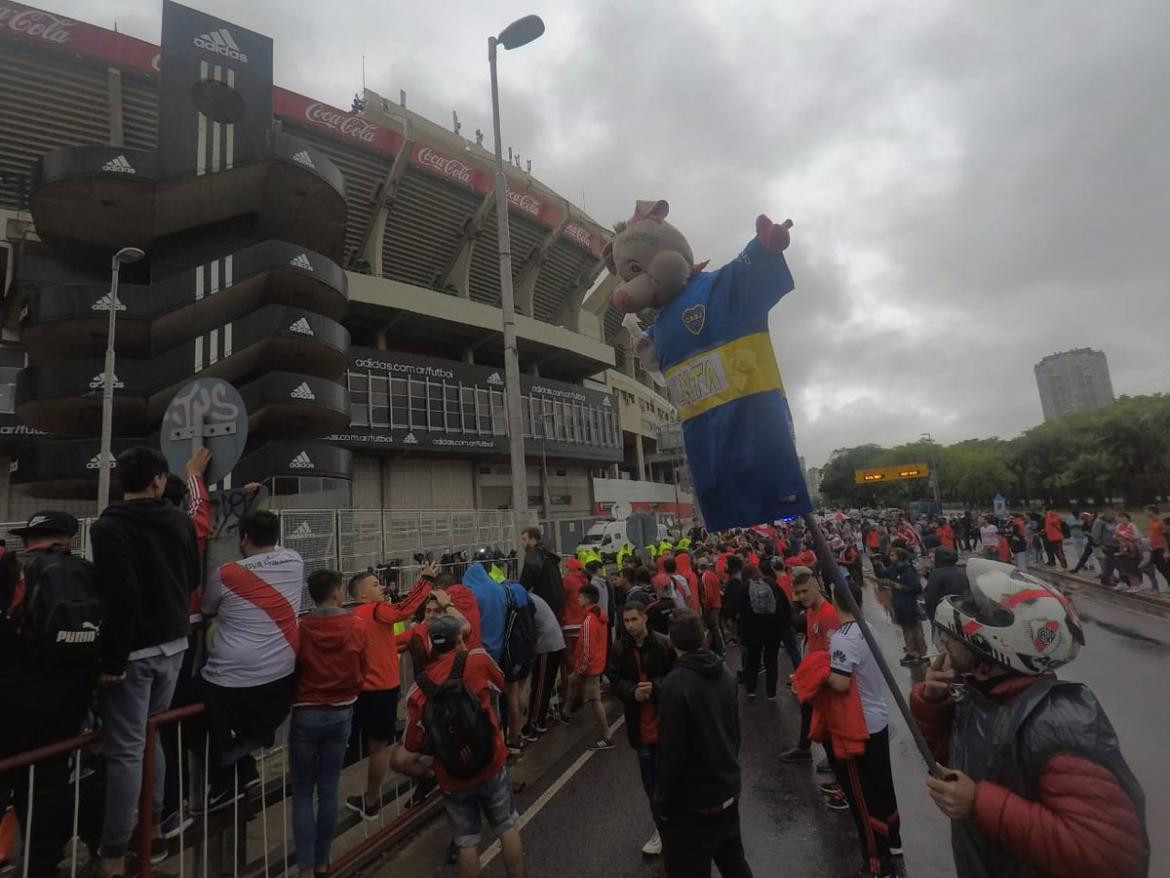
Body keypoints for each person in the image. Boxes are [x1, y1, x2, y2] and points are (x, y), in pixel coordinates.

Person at [912, 558, 1148, 877]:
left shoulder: (1059, 722)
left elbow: (1112, 857)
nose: (944, 643)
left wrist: (979, 802)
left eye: (952, 637)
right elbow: (950, 765)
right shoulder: (978, 695)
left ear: (994, 650)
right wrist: (931, 704)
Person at [89, 447, 201, 877]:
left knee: (125, 751)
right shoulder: (179, 521)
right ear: (158, 481)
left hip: (131, 653)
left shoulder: (108, 527)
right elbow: (192, 577)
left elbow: (120, 596)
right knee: (151, 735)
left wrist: (112, 661)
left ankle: (114, 853)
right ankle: (151, 832)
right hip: (174, 644)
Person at [0, 514, 100, 878]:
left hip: (12, 699)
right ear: (69, 538)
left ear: (29, 540)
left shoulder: (15, 570)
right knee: (48, 783)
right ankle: (42, 863)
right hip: (68, 699)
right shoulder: (88, 572)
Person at [392, 615, 523, 878]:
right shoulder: (477, 659)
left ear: (432, 644)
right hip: (491, 759)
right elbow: (501, 684)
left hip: (452, 774)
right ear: (459, 638)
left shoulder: (420, 688)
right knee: (506, 827)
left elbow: (412, 742)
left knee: (466, 842)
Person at [198, 510, 303, 811]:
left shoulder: (227, 573)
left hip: (232, 681)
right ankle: (244, 762)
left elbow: (207, 607)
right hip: (282, 677)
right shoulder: (294, 561)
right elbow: (272, 549)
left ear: (243, 538)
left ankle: (224, 778)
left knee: (189, 706)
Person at [655, 610, 752, 877]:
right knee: (734, 861)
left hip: (693, 803)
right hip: (727, 789)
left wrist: (663, 803)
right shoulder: (725, 672)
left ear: (671, 642)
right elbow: (735, 732)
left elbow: (671, 752)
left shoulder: (675, 684)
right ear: (705, 637)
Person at [821, 579, 901, 878]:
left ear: (834, 600)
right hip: (878, 719)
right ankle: (894, 842)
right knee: (883, 788)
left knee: (862, 797)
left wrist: (819, 672)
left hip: (859, 725)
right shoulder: (869, 628)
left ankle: (877, 862)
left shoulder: (843, 638)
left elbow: (840, 682)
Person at [344, 563, 437, 820]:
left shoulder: (355, 617)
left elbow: (377, 645)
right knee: (379, 748)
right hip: (382, 690)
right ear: (362, 594)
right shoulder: (377, 611)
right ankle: (372, 801)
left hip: (361, 691)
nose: (382, 587)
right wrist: (425, 581)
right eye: (375, 585)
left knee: (361, 745)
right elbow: (403, 609)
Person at [291, 570, 368, 878]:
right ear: (337, 592)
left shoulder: (301, 628)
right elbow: (364, 669)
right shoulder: (355, 626)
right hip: (341, 711)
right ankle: (324, 860)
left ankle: (305, 867)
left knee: (301, 793)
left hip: (306, 711)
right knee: (328, 789)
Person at [606, 597, 675, 857]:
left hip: (665, 724)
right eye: (626, 621)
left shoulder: (663, 643)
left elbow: (677, 676)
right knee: (651, 783)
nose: (630, 625)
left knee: (671, 779)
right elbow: (613, 679)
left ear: (645, 618)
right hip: (639, 726)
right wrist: (631, 691)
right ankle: (662, 828)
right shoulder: (619, 648)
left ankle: (675, 825)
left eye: (634, 619)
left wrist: (655, 687)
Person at [781, 569, 839, 763]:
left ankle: (835, 759)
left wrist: (823, 679)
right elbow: (810, 642)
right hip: (813, 674)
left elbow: (834, 652)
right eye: (797, 593)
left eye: (805, 591)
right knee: (808, 712)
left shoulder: (828, 614)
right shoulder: (811, 612)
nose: (801, 597)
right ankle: (804, 747)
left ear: (816, 587)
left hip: (824, 677)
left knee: (825, 719)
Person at [564, 584, 613, 750]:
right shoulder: (599, 617)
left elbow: (587, 648)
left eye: (580, 596)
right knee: (572, 681)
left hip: (589, 667)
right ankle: (566, 712)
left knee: (595, 700)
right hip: (597, 664)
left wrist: (581, 668)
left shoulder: (588, 622)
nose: (577, 599)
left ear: (586, 598)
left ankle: (607, 735)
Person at [735, 564, 789, 701]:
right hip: (773, 629)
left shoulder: (744, 587)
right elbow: (784, 604)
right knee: (771, 660)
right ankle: (771, 692)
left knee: (752, 659)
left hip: (752, 630)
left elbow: (734, 608)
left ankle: (751, 690)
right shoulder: (771, 583)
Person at [522, 591, 565, 738]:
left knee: (540, 686)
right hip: (555, 644)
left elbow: (527, 628)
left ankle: (534, 724)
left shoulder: (526, 601)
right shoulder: (533, 597)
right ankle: (540, 721)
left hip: (547, 646)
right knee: (545, 685)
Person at [874, 549, 927, 666]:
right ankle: (912, 651)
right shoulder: (895, 568)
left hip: (908, 605)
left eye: (893, 555)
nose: (890, 557)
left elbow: (917, 588)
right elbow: (882, 573)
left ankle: (920, 653)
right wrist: (876, 564)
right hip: (900, 605)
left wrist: (899, 586)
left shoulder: (907, 569)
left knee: (913, 630)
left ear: (899, 556)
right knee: (907, 630)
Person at [518, 526, 564, 619]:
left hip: (544, 600)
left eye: (524, 539)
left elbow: (528, 576)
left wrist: (519, 590)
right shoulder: (546, 554)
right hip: (556, 599)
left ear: (533, 539)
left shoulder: (533, 553)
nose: (522, 543)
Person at [923, 545, 967, 623]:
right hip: (962, 609)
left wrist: (931, 615)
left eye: (933, 557)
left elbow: (931, 596)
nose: (931, 560)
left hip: (943, 612)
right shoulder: (961, 570)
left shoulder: (936, 573)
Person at [696, 555, 724, 656]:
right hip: (717, 604)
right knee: (716, 628)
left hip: (711, 607)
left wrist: (706, 607)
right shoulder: (712, 574)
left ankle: (721, 650)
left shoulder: (705, 577)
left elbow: (709, 595)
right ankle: (719, 649)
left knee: (714, 629)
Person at [1140, 506, 1169, 593]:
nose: (1145, 513)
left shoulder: (1160, 522)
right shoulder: (1151, 522)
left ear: (1152, 511)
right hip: (1154, 548)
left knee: (1163, 567)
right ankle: (1157, 585)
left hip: (1161, 548)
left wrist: (1166, 551)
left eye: (1146, 511)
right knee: (1156, 567)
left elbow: (1165, 536)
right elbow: (1151, 535)